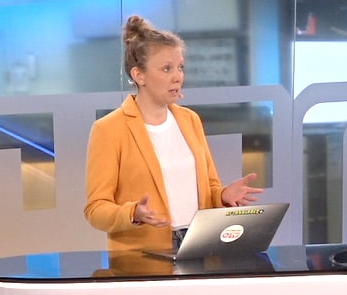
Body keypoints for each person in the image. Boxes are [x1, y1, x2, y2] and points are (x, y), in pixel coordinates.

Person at [84, 15, 262, 252]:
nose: (178, 77)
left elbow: (210, 188)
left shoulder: (190, 120)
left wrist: (222, 196)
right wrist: (133, 213)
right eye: (166, 69)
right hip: (144, 253)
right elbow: (95, 209)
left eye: (180, 67)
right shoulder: (109, 129)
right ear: (139, 75)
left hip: (200, 243)